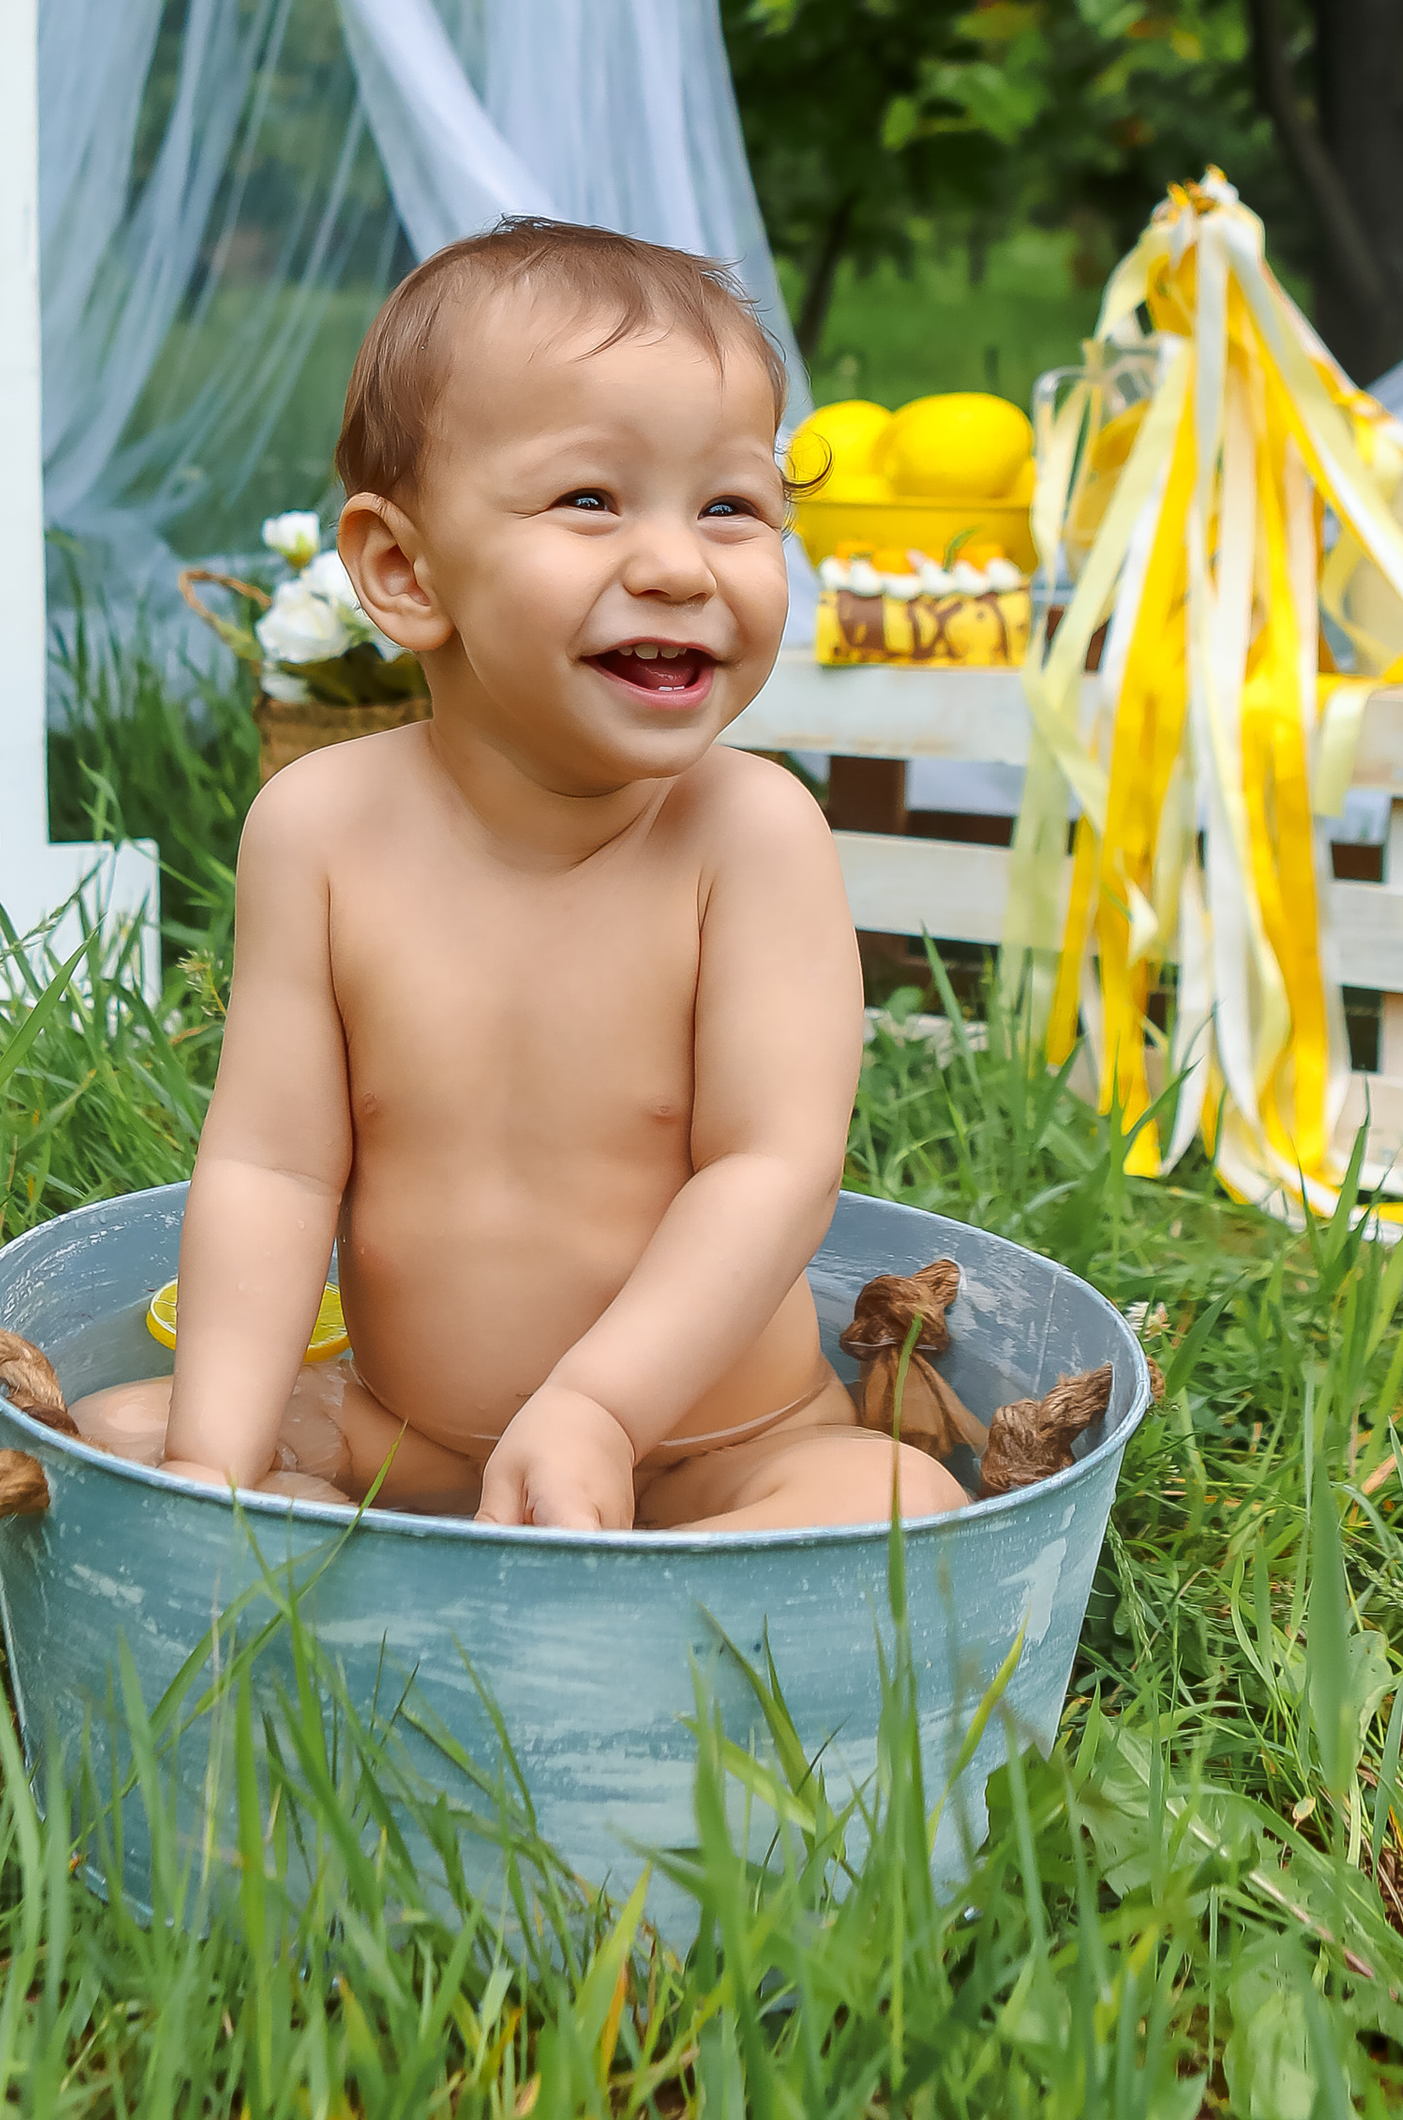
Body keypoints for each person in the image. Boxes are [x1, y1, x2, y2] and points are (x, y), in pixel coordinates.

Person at [74, 218, 964, 1532]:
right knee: (122, 1433)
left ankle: (619, 1589)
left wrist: (599, 1409)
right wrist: (217, 1463)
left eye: (733, 507)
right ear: (402, 569)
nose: (675, 563)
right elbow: (271, 1170)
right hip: (415, 1435)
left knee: (897, 1505)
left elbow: (775, 1168)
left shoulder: (752, 835)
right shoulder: (319, 831)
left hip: (715, 1446)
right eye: (591, 500)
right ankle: (491, 1575)